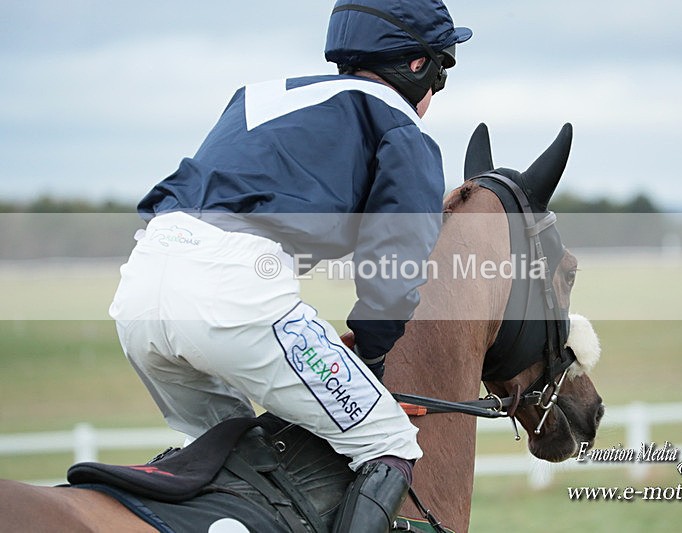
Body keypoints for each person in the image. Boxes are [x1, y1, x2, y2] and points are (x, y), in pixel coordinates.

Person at [109, 0, 471, 530]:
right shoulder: (399, 128)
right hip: (230, 294)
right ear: (418, 65)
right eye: (442, 70)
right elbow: (395, 260)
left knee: (235, 449)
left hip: (141, 286)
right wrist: (371, 353)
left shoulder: (261, 96)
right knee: (390, 440)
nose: (436, 92)